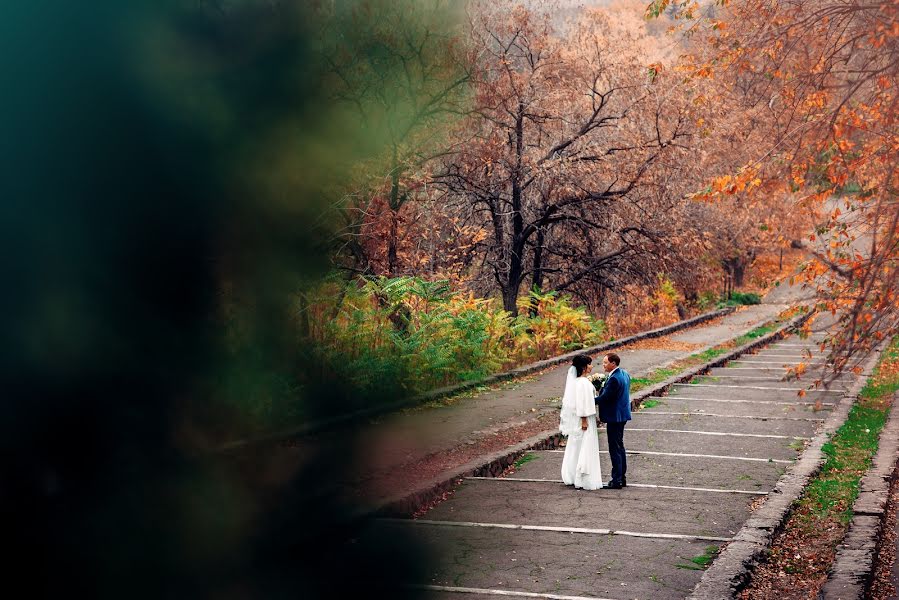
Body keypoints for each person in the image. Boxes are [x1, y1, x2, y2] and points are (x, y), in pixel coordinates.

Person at [559, 354, 602, 490]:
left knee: (576, 445)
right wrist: (584, 420)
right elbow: (582, 403)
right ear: (584, 367)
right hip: (584, 418)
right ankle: (583, 477)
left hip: (581, 417)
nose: (591, 366)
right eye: (589, 364)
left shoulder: (577, 381)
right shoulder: (583, 383)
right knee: (585, 445)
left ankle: (572, 474)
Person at [594, 353, 631, 489]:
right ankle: (622, 477)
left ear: (613, 363)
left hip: (615, 417)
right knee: (620, 447)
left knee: (614, 449)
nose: (603, 365)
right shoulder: (624, 374)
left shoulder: (614, 378)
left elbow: (605, 398)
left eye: (605, 363)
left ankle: (616, 480)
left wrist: (587, 401)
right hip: (622, 415)